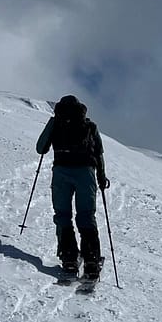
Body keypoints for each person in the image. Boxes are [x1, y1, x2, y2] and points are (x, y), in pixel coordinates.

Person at [35, 95, 110, 279]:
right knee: (86, 215)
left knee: (63, 215)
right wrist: (101, 177)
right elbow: (98, 153)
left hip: (61, 172)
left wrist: (52, 125)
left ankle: (69, 258)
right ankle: (91, 260)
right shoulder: (90, 126)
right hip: (85, 173)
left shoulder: (56, 123)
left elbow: (41, 148)